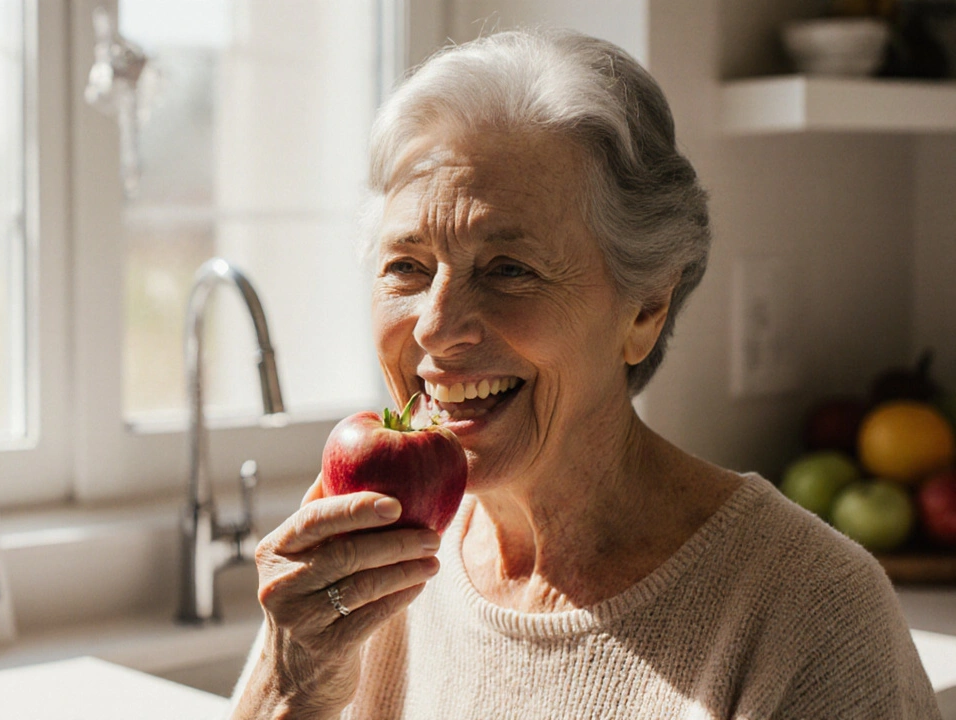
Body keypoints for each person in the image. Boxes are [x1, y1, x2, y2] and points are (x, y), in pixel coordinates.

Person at [229, 28, 940, 719]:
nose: (435, 328)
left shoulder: (810, 615)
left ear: (646, 310)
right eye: (406, 267)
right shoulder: (356, 578)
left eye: (510, 269)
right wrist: (289, 688)